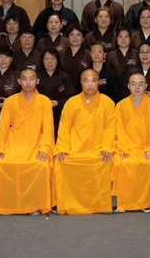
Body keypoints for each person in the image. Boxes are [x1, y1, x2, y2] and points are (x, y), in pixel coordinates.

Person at [0, 68, 54, 216]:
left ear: (37, 81)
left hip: (35, 144)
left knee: (40, 166)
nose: (28, 82)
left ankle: (34, 205)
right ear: (19, 81)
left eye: (31, 79)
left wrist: (44, 148)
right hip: (13, 144)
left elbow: (48, 128)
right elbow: (2, 127)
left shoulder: (44, 101)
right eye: (24, 79)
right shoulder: (10, 101)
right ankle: (4, 205)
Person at [53, 68, 116, 214]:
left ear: (99, 82)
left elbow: (111, 128)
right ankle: (68, 204)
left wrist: (107, 147)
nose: (90, 84)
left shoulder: (107, 103)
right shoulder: (71, 102)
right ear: (81, 83)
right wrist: (63, 148)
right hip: (75, 148)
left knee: (106, 162)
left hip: (99, 149)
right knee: (61, 162)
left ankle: (100, 204)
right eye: (86, 81)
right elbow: (64, 127)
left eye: (93, 80)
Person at [112, 73, 150, 213]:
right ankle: (123, 202)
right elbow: (118, 129)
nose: (137, 87)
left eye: (140, 84)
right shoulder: (121, 105)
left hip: (145, 147)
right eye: (133, 84)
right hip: (126, 148)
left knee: (149, 163)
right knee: (122, 163)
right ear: (128, 86)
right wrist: (123, 148)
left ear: (146, 86)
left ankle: (148, 202)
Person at [36, 47, 77, 134]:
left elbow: (71, 96)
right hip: (39, 112)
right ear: (42, 61)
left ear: (57, 61)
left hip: (59, 112)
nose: (49, 62)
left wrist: (58, 102)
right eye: (47, 59)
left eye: (53, 59)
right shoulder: (36, 76)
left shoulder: (64, 76)